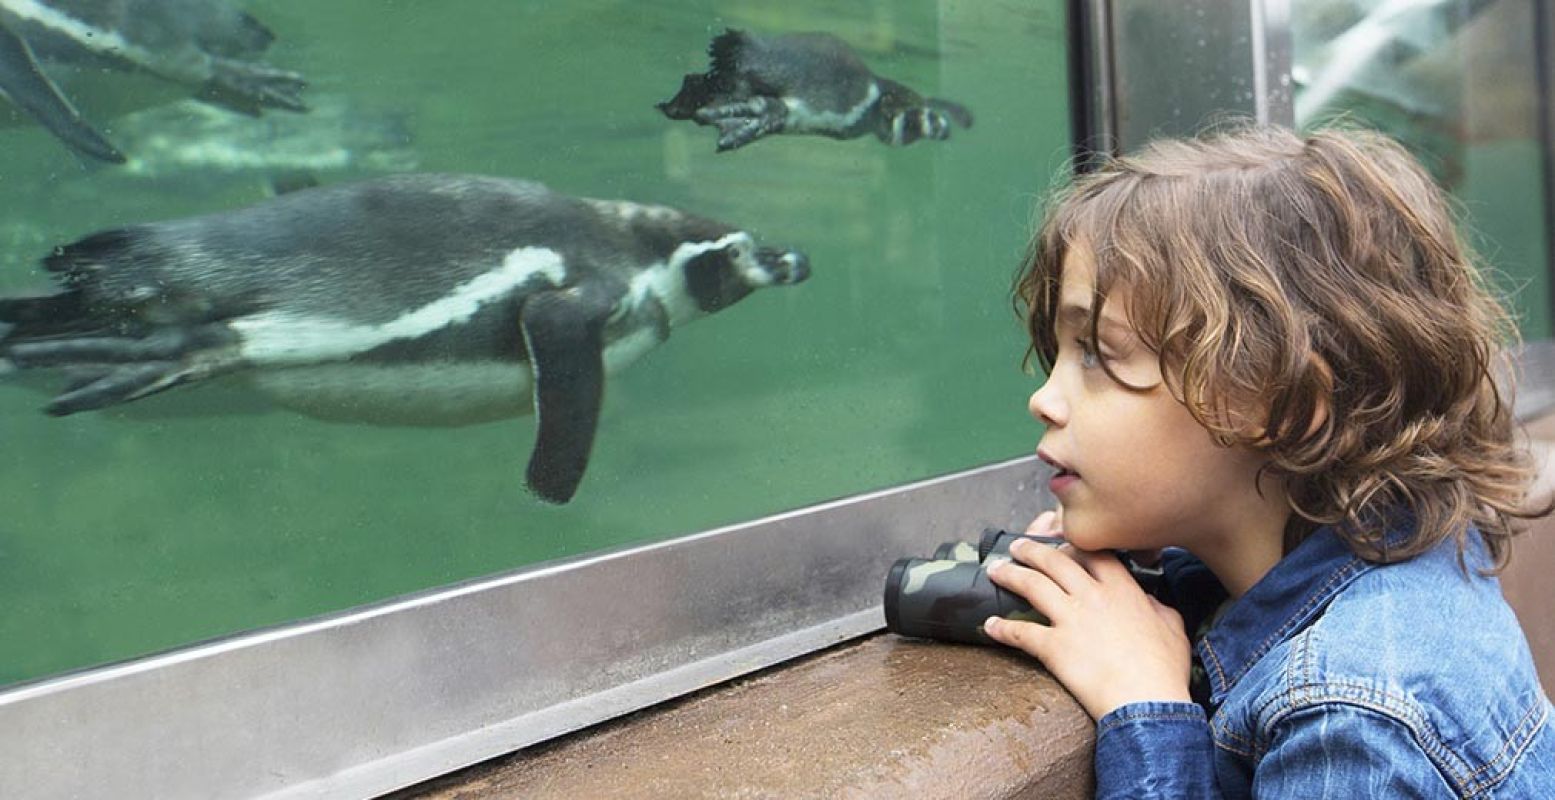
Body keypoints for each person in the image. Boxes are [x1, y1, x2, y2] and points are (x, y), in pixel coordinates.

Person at [981, 124, 1555, 797]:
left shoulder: (1353, 715)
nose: (1044, 400)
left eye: (1097, 354)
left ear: (1281, 400)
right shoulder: (1391, 559)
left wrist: (1145, 712)